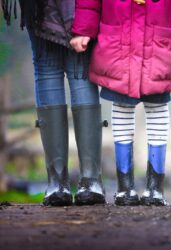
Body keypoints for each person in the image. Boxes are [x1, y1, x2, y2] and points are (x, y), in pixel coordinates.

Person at [70, 0, 171, 206]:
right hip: (117, 44)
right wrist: (83, 28)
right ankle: (124, 187)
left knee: (156, 108)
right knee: (121, 106)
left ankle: (155, 187)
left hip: (158, 45)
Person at [1, 0, 106, 206]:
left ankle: (65, 182)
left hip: (62, 10)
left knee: (66, 71)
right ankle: (82, 181)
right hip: (54, 10)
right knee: (67, 72)